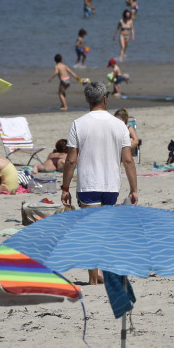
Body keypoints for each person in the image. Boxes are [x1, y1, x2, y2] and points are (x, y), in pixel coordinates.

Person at [61, 81, 138, 285]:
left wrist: (65, 187)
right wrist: (134, 189)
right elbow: (128, 160)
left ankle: (94, 279)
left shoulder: (78, 124)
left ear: (87, 99)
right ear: (105, 98)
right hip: (111, 185)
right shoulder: (120, 125)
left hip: (88, 184)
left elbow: (70, 160)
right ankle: (104, 274)